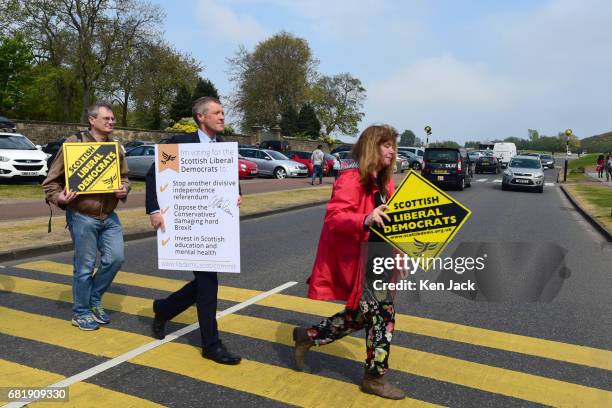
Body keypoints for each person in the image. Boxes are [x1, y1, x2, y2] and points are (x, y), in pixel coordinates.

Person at [293, 125, 405, 400]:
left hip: (381, 261)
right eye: (386, 145)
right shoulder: (351, 179)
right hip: (361, 262)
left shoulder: (385, 181)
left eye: (393, 145)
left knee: (360, 316)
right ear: (371, 147)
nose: (392, 150)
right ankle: (374, 378)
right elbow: (334, 218)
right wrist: (364, 218)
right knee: (383, 317)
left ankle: (308, 335)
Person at [145, 96, 242, 365]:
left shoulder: (221, 147)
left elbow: (228, 180)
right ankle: (211, 344)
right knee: (209, 283)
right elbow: (156, 175)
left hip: (212, 222)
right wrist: (154, 210)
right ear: (201, 117)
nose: (223, 117)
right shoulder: (180, 143)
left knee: (205, 282)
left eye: (223, 112)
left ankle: (164, 308)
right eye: (217, 113)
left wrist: (237, 194)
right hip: (187, 222)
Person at [42, 102, 130, 331]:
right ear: (92, 120)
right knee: (84, 267)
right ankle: (81, 312)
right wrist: (59, 198)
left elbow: (125, 178)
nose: (111, 122)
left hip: (109, 216)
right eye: (106, 118)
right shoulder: (73, 144)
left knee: (116, 259)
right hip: (82, 215)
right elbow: (50, 182)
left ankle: (93, 299)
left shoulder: (115, 148)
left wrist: (124, 189)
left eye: (112, 119)